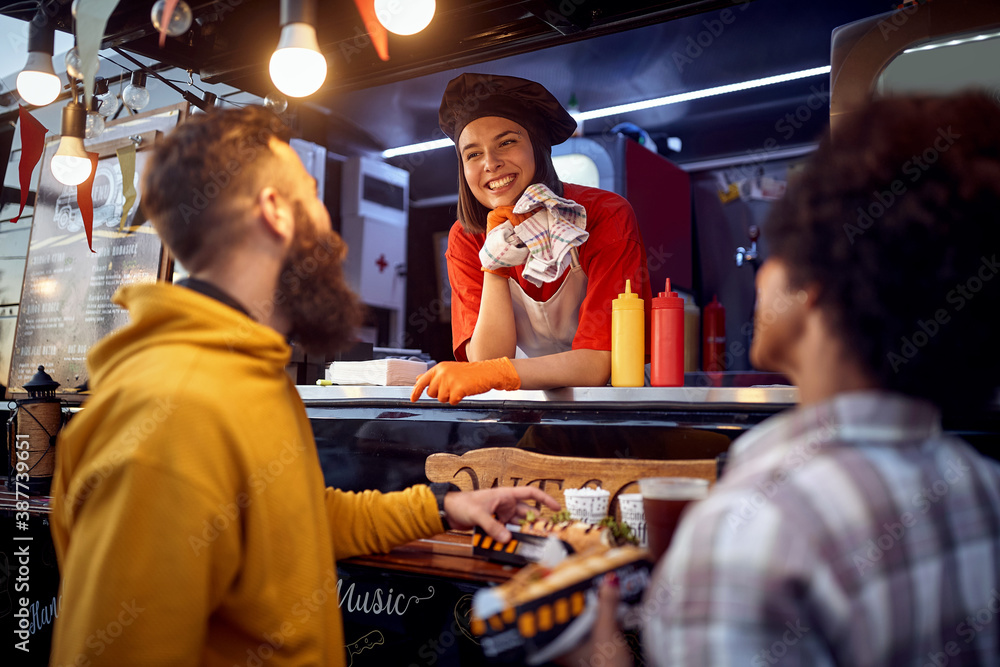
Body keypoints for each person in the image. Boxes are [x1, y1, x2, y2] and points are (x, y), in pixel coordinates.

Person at [48, 106, 560, 667]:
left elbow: (299, 521)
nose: (328, 222)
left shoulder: (251, 375)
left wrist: (446, 505)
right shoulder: (172, 414)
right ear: (274, 211)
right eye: (311, 194)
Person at [563, 92, 1000, 665]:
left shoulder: (751, 529)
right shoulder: (984, 486)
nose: (764, 275)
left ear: (816, 291)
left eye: (778, 252)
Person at [411, 73, 653, 404]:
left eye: (506, 142)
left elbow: (598, 364)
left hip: (618, 409)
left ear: (537, 148)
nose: (491, 164)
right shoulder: (466, 240)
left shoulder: (605, 216)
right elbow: (485, 363)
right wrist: (495, 261)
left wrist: (495, 374)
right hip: (533, 407)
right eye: (472, 154)